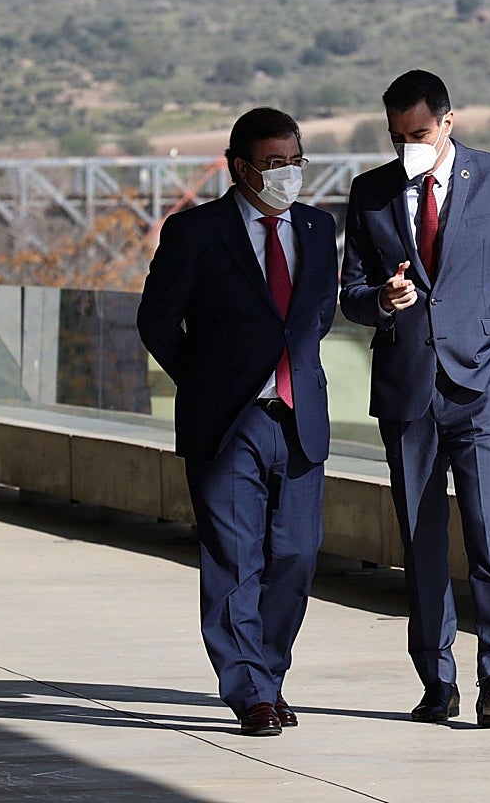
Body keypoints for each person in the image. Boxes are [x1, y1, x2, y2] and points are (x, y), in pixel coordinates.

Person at [340, 70, 490, 727]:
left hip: (485, 390)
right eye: (398, 136)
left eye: (421, 133)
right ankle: (438, 682)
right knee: (422, 541)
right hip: (408, 392)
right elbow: (350, 292)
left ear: (448, 122)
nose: (410, 145)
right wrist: (382, 300)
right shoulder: (370, 192)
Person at [137, 107, 338, 736]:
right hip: (228, 422)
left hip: (298, 417)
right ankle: (249, 691)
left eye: (294, 162)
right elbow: (157, 322)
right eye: (273, 164)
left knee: (297, 556)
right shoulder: (196, 232)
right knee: (234, 557)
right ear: (240, 167)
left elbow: (316, 318)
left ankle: (269, 676)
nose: (286, 175)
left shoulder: (316, 226)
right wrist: (205, 381)